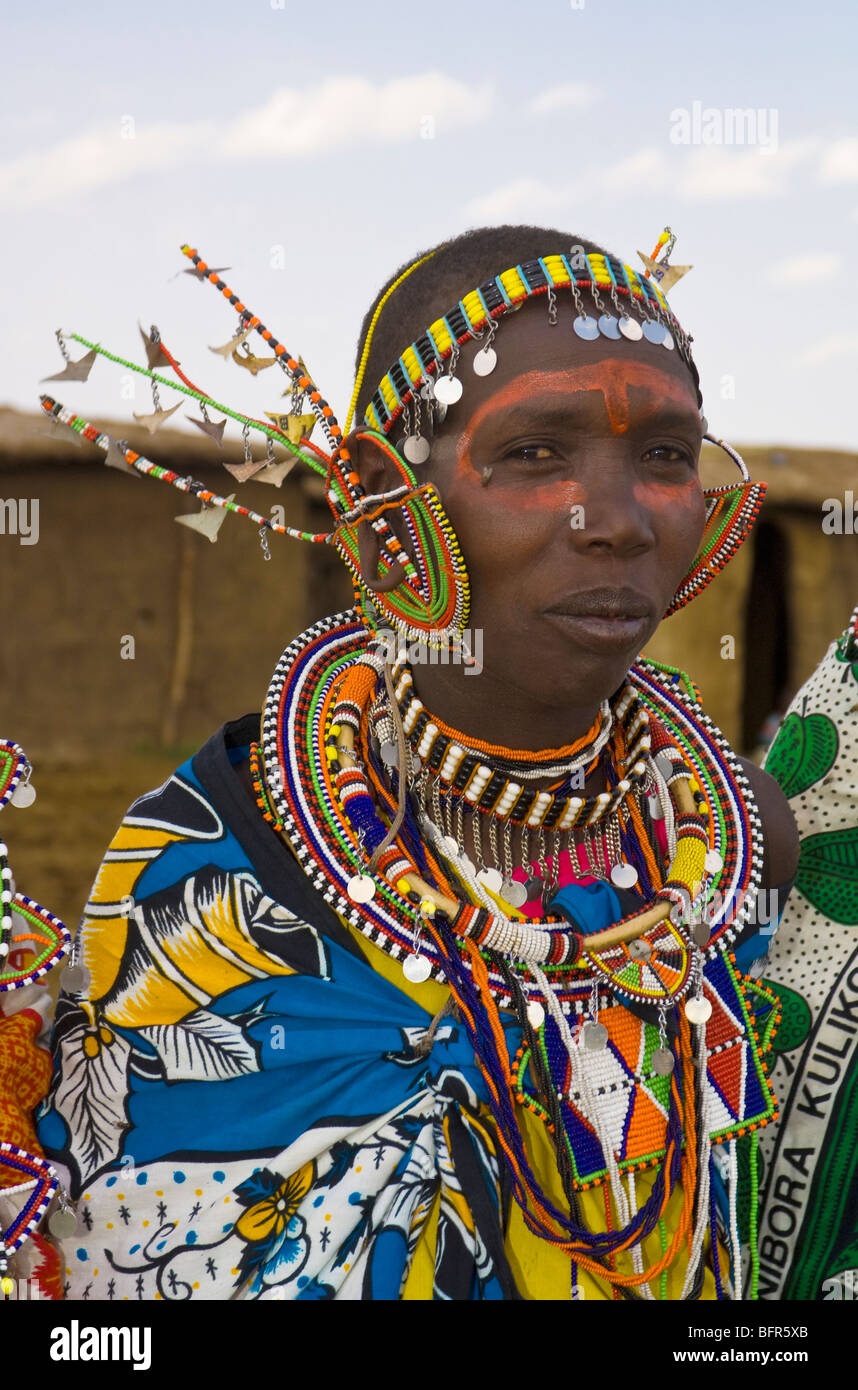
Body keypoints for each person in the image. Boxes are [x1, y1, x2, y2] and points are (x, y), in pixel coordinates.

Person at [36, 224, 799, 1300]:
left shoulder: (736, 841)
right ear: (389, 507)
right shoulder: (217, 874)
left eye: (666, 456)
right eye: (536, 452)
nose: (619, 521)